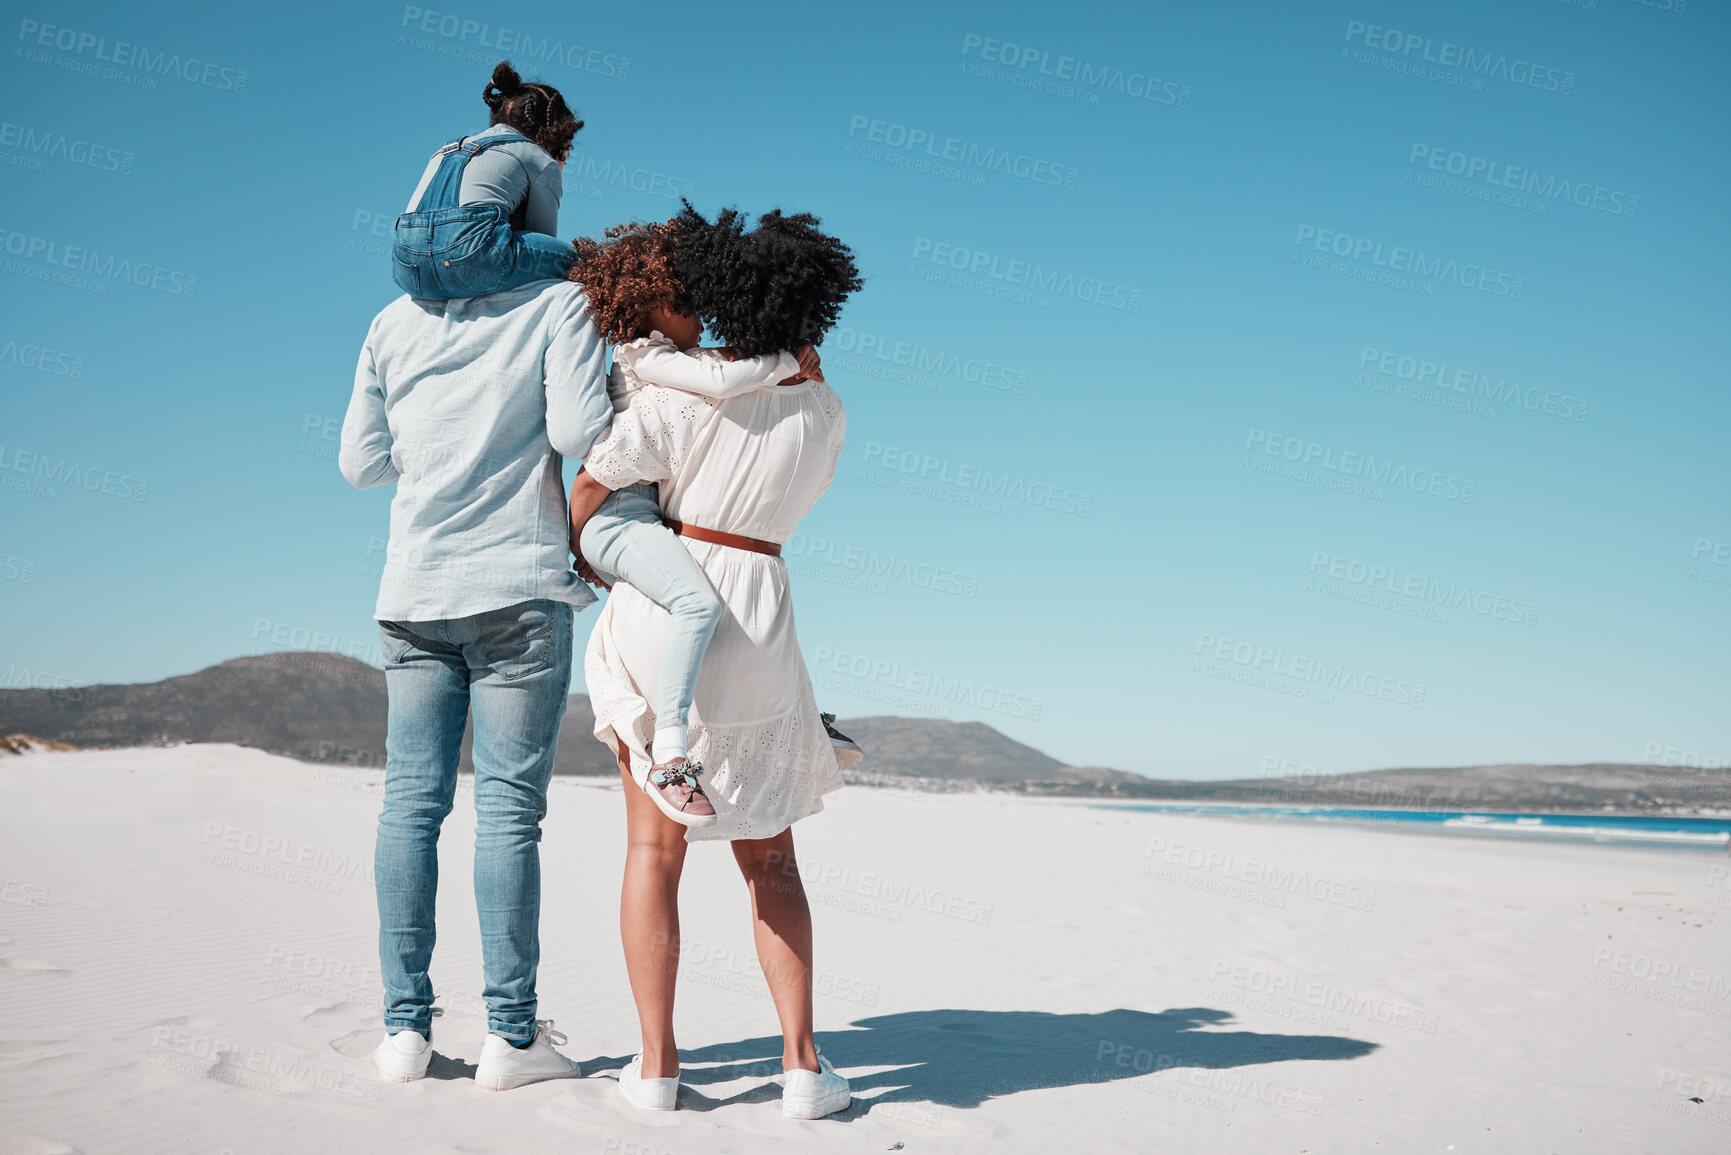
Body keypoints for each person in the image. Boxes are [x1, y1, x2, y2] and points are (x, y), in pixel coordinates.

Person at [566, 203, 863, 1118]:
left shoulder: (677, 396)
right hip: (765, 610)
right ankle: (803, 1068)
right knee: (770, 862)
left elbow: (591, 486)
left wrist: (595, 553)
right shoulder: (826, 406)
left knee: (654, 851)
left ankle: (655, 1068)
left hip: (672, 599)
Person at [339, 215, 612, 1088]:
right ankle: (511, 1038)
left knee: (408, 808)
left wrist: (436, 452)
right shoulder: (558, 300)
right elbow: (575, 432)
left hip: (412, 592)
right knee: (505, 815)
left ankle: (403, 1034)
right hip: (515, 587)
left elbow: (359, 463)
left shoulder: (391, 320)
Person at [562, 220, 829, 827]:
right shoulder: (646, 355)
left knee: (652, 853)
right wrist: (578, 545)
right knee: (697, 605)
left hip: (640, 518)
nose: (702, 320)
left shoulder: (668, 358)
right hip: (617, 515)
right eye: (687, 305)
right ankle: (672, 753)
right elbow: (593, 479)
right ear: (652, 307)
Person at [391, 61, 581, 300]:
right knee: (576, 260)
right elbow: (541, 238)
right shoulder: (540, 159)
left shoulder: (443, 151)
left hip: (407, 267)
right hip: (471, 257)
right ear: (554, 133)